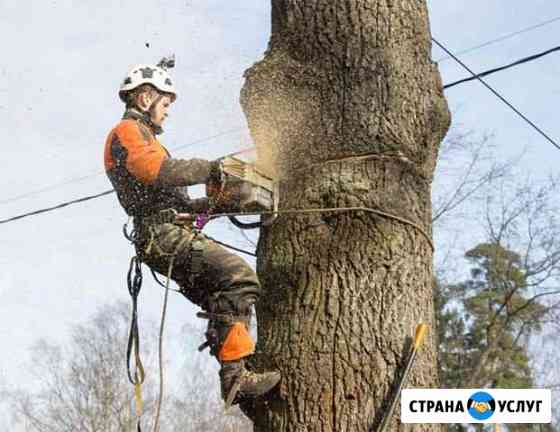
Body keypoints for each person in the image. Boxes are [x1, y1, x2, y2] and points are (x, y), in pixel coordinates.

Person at [103, 60, 280, 407]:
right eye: (165, 104)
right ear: (145, 98)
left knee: (224, 296)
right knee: (238, 278)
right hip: (161, 235)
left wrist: (219, 204)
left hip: (167, 231)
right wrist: (213, 168)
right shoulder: (127, 132)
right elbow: (155, 170)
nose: (167, 113)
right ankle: (235, 377)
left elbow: (178, 206)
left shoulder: (146, 139)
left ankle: (237, 371)